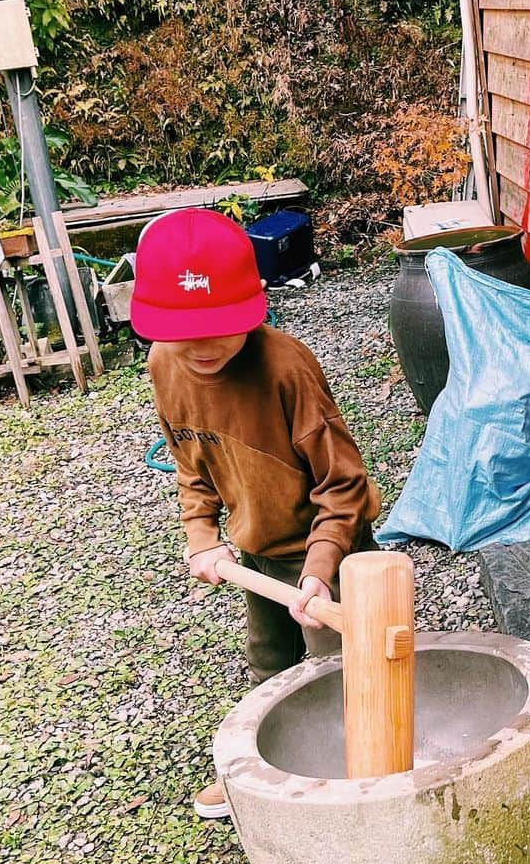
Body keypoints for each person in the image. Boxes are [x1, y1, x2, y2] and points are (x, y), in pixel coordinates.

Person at [130, 209, 379, 819]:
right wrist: (202, 536)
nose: (203, 346)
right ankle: (263, 774)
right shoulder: (165, 366)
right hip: (257, 550)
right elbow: (191, 465)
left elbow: (343, 485)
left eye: (219, 326)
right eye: (183, 330)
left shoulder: (286, 367)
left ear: (256, 303)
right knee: (268, 661)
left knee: (342, 671)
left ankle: (356, 784)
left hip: (330, 550)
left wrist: (321, 570)